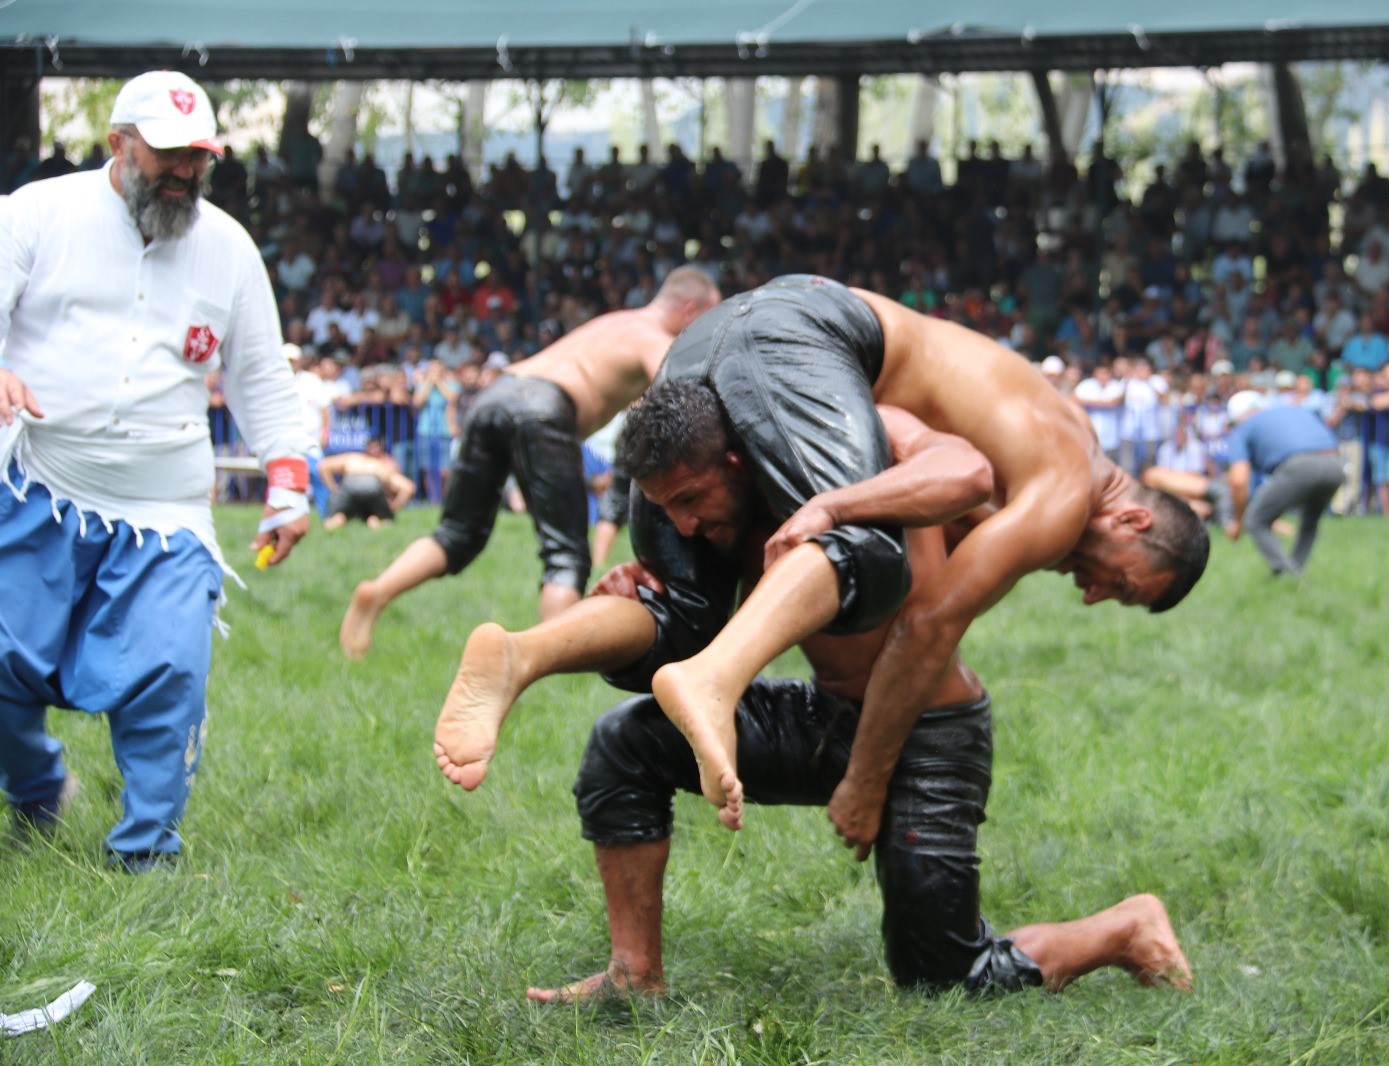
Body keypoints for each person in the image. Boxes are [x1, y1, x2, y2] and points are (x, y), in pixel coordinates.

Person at [429, 394, 1192, 1001]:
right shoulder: (716, 503)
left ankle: (1121, 929)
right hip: (831, 715)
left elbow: (964, 468)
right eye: (675, 506)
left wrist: (866, 782)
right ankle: (635, 979)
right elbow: (694, 618)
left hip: (932, 732)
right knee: (625, 743)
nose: (687, 516)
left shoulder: (865, 432)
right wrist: (636, 581)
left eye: (692, 497)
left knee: (946, 980)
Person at [567, 277, 1211, 845]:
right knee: (856, 553)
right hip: (805, 337)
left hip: (766, 329)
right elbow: (927, 624)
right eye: (1122, 584)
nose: (1094, 596)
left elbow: (941, 518)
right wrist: (865, 781)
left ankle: (522, 657)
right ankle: (706, 677)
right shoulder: (1062, 496)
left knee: (681, 608)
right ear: (1133, 518)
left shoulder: (1064, 437)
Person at [0, 72, 313, 870]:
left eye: (197, 158)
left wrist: (287, 483)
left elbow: (260, 377)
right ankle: (36, 783)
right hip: (40, 478)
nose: (183, 174)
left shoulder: (228, 248)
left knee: (171, 671)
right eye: (167, 156)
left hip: (164, 504)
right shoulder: (39, 213)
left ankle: (145, 855)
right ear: (119, 144)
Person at [338, 267, 721, 660]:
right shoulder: (653, 339)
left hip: (496, 394)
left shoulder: (617, 321)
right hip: (543, 407)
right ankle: (550, 659)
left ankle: (377, 591)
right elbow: (688, 397)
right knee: (565, 553)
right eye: (709, 318)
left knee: (458, 532)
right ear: (690, 310)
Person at [1223, 391, 1345, 576]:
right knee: (1310, 520)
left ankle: (1287, 574)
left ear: (1237, 416)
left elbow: (1239, 481)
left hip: (1300, 466)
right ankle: (1294, 574)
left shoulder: (1244, 427)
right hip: (1336, 465)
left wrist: (1238, 521)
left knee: (1256, 521)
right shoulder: (1295, 410)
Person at [319, 437, 415, 530]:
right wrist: (392, 508)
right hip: (373, 486)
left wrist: (334, 489)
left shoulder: (353, 458)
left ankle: (336, 521)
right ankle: (375, 521)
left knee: (339, 515)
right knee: (381, 518)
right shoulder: (384, 466)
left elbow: (323, 466)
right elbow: (408, 488)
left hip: (350, 484)